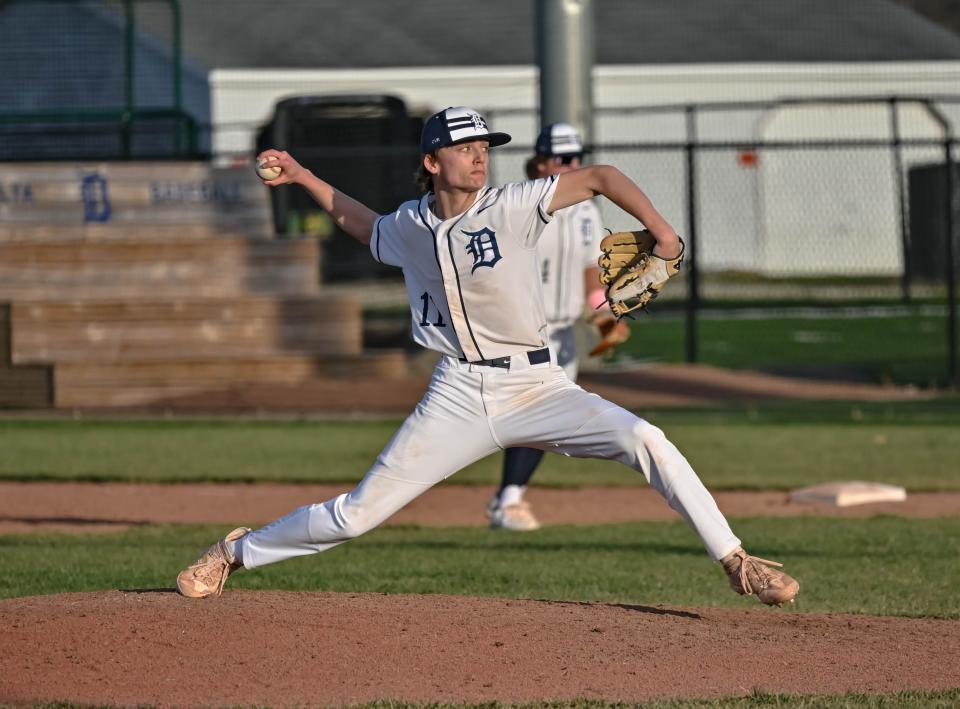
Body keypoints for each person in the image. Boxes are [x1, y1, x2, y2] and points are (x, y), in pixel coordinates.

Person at [176, 106, 799, 607]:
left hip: (539, 385)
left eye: (485, 147)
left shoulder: (514, 205)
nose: (479, 156)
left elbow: (603, 177)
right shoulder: (412, 225)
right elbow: (364, 226)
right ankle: (235, 552)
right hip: (457, 395)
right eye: (464, 147)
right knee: (355, 517)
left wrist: (663, 234)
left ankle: (738, 563)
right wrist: (302, 175)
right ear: (431, 161)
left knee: (648, 439)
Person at [486, 122, 629, 531]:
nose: (572, 164)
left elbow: (589, 267)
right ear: (542, 161)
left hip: (565, 332)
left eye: (576, 157)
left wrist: (602, 313)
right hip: (524, 329)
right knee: (531, 415)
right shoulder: (519, 204)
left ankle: (508, 499)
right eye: (563, 158)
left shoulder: (585, 209)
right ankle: (507, 499)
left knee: (541, 417)